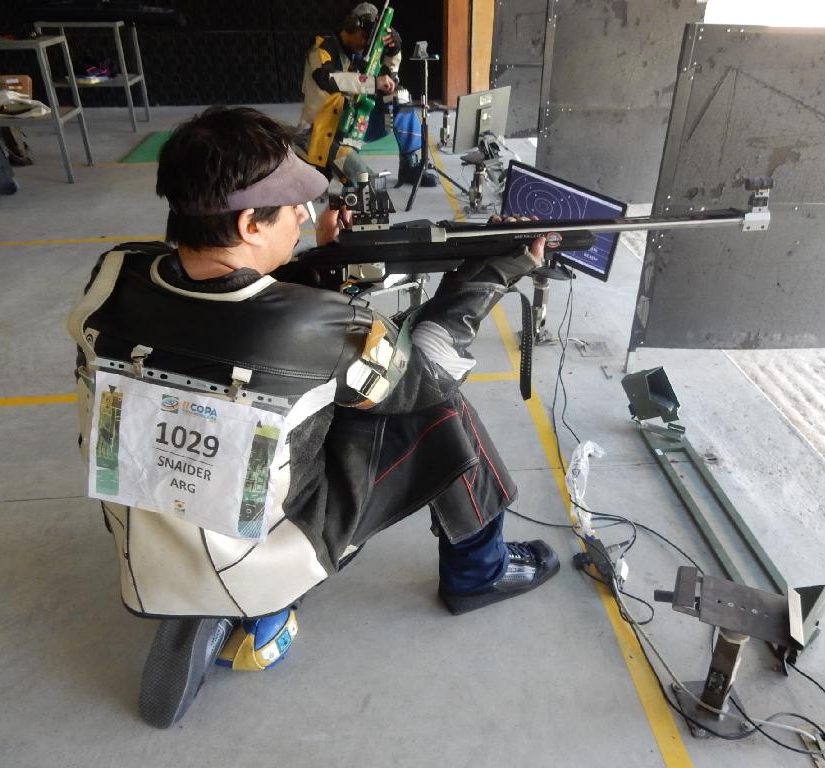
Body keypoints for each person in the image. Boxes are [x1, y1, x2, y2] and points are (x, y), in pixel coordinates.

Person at [66, 105, 557, 729]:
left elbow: (220, 315)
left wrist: (314, 265)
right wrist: (487, 277)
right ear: (248, 223)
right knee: (438, 410)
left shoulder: (114, 274)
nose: (304, 215)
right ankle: (477, 573)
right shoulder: (315, 327)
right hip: (261, 546)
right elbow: (431, 373)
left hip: (150, 523)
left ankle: (217, 597)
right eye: (292, 207)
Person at [298, 2, 401, 183]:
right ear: (351, 26)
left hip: (356, 122)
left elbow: (388, 77)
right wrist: (372, 82)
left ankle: (410, 166)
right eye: (364, 37)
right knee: (362, 178)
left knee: (405, 112)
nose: (365, 43)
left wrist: (394, 51)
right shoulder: (322, 47)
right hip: (325, 129)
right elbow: (326, 79)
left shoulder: (366, 51)